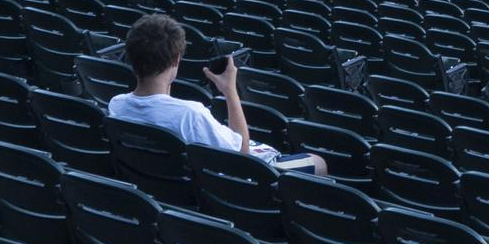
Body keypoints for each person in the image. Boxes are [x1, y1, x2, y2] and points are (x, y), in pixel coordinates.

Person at [107, 14, 325, 174]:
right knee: (317, 162)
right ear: (176, 60)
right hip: (248, 178)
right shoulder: (190, 115)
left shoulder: (116, 106)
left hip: (164, 182)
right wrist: (230, 91)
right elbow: (242, 153)